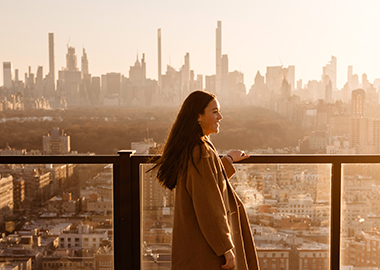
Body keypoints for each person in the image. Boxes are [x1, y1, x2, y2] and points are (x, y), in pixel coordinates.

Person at [149, 90, 259, 269]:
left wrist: (227, 161)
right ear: (198, 117)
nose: (220, 117)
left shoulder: (197, 146)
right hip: (206, 252)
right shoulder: (199, 151)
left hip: (197, 247)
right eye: (214, 111)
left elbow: (207, 183)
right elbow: (208, 204)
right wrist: (226, 248)